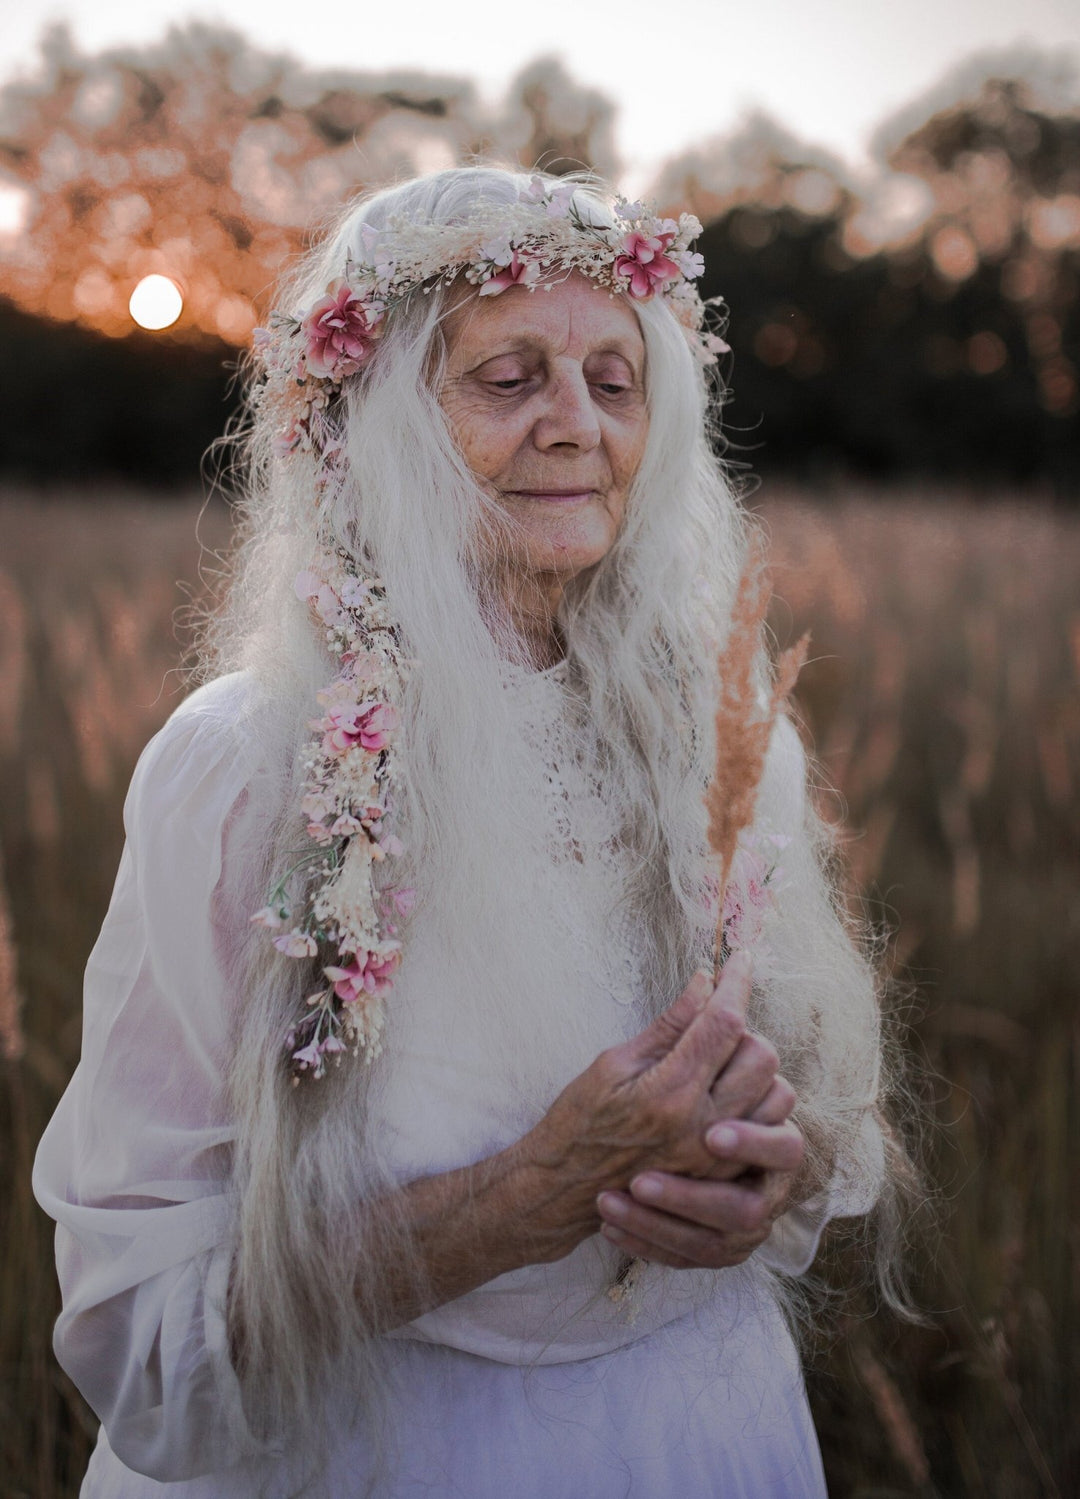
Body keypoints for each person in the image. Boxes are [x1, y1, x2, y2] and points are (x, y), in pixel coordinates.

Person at [34, 165, 906, 1498]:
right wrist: (521, 1201)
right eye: (508, 378)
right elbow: (143, 1338)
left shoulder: (730, 738)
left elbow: (822, 1123)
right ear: (378, 425)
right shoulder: (243, 766)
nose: (577, 427)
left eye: (615, 381)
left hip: (703, 1431)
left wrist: (771, 1177)